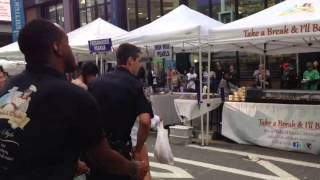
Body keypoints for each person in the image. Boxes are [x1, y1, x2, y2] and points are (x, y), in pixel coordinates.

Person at [0, 19, 147, 180]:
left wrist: (70, 164)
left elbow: (32, 139)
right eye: (67, 43)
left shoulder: (10, 86)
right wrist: (134, 168)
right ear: (56, 47)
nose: (71, 50)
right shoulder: (74, 97)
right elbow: (103, 157)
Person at [88, 43, 153, 180]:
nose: (139, 65)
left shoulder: (96, 82)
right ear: (130, 60)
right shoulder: (136, 85)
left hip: (96, 151)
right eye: (138, 61)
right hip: (119, 152)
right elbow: (145, 121)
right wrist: (138, 148)